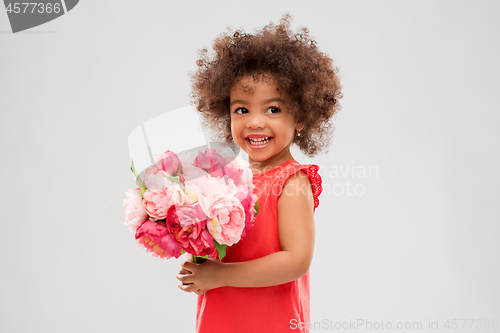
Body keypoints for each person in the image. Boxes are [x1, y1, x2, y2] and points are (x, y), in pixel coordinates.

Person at [176, 13, 342, 333]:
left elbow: (295, 261)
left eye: (273, 109)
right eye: (242, 109)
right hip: (221, 318)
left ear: (301, 117)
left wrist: (217, 275)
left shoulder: (291, 181)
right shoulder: (226, 179)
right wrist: (195, 259)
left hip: (270, 323)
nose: (254, 122)